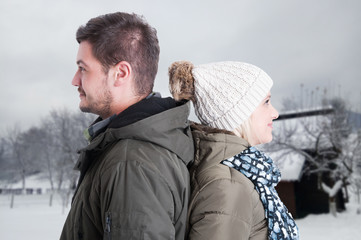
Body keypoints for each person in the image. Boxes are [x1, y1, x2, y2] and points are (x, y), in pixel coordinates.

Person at [60, 12, 194, 240]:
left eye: (83, 68)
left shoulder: (132, 165)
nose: (74, 80)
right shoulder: (127, 148)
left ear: (120, 74)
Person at [168, 61, 299, 240]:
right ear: (240, 113)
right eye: (266, 102)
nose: (275, 113)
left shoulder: (240, 173)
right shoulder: (228, 184)